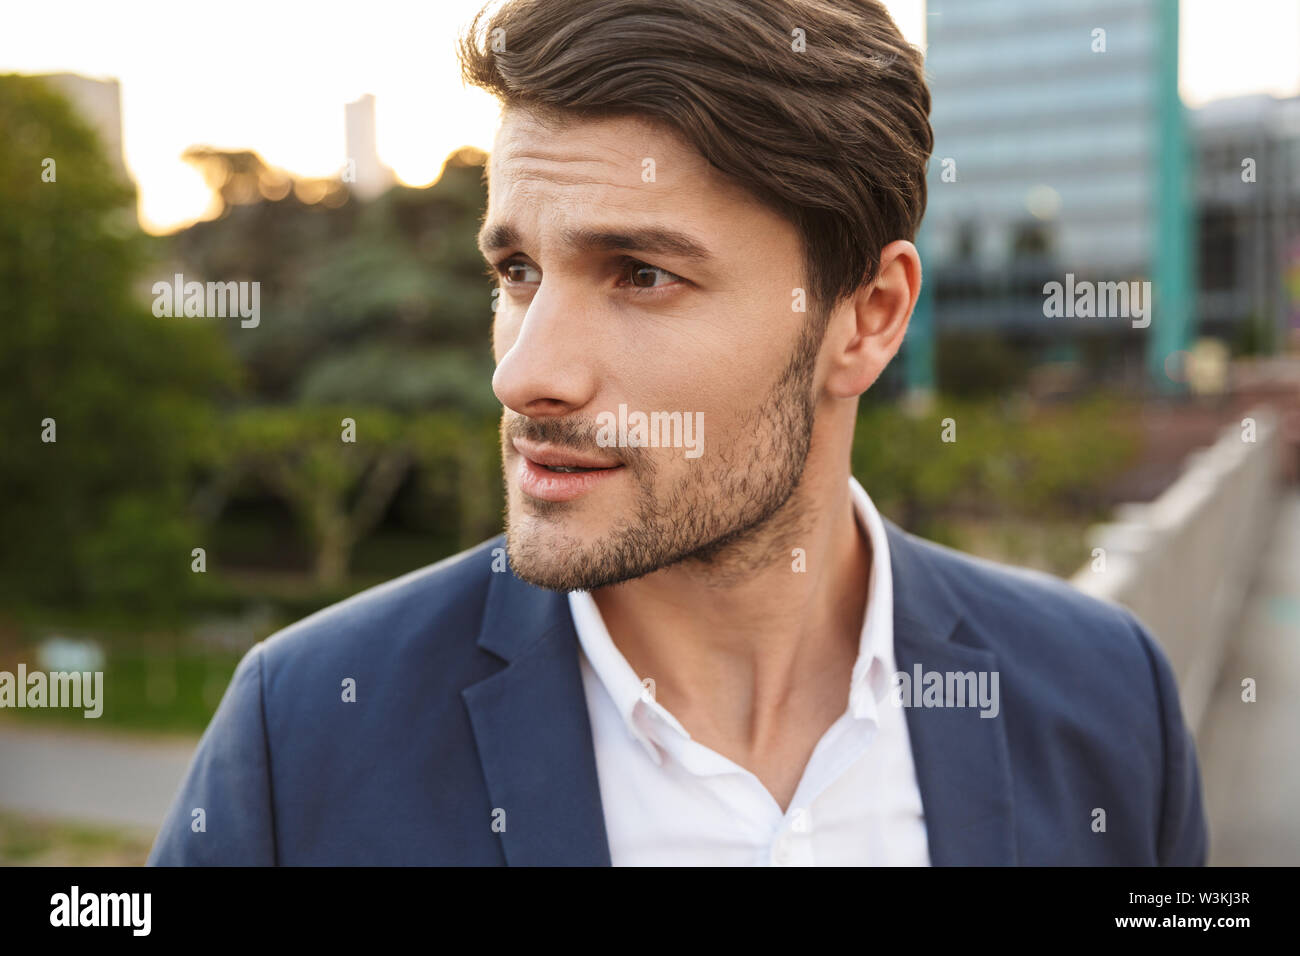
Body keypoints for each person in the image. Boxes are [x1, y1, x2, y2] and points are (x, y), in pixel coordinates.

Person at [149, 0, 1207, 866]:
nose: (524, 373)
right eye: (516, 271)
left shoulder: (1105, 697)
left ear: (868, 317)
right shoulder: (303, 737)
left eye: (642, 274)